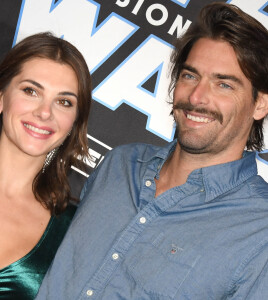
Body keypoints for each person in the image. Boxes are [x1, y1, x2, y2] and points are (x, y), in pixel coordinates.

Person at [36, 2, 268, 300]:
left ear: (260, 103)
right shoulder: (120, 163)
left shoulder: (259, 230)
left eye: (223, 84)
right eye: (189, 76)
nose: (197, 96)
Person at [0, 32, 91, 299]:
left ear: (74, 123)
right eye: (31, 91)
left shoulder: (71, 229)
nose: (45, 112)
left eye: (64, 102)